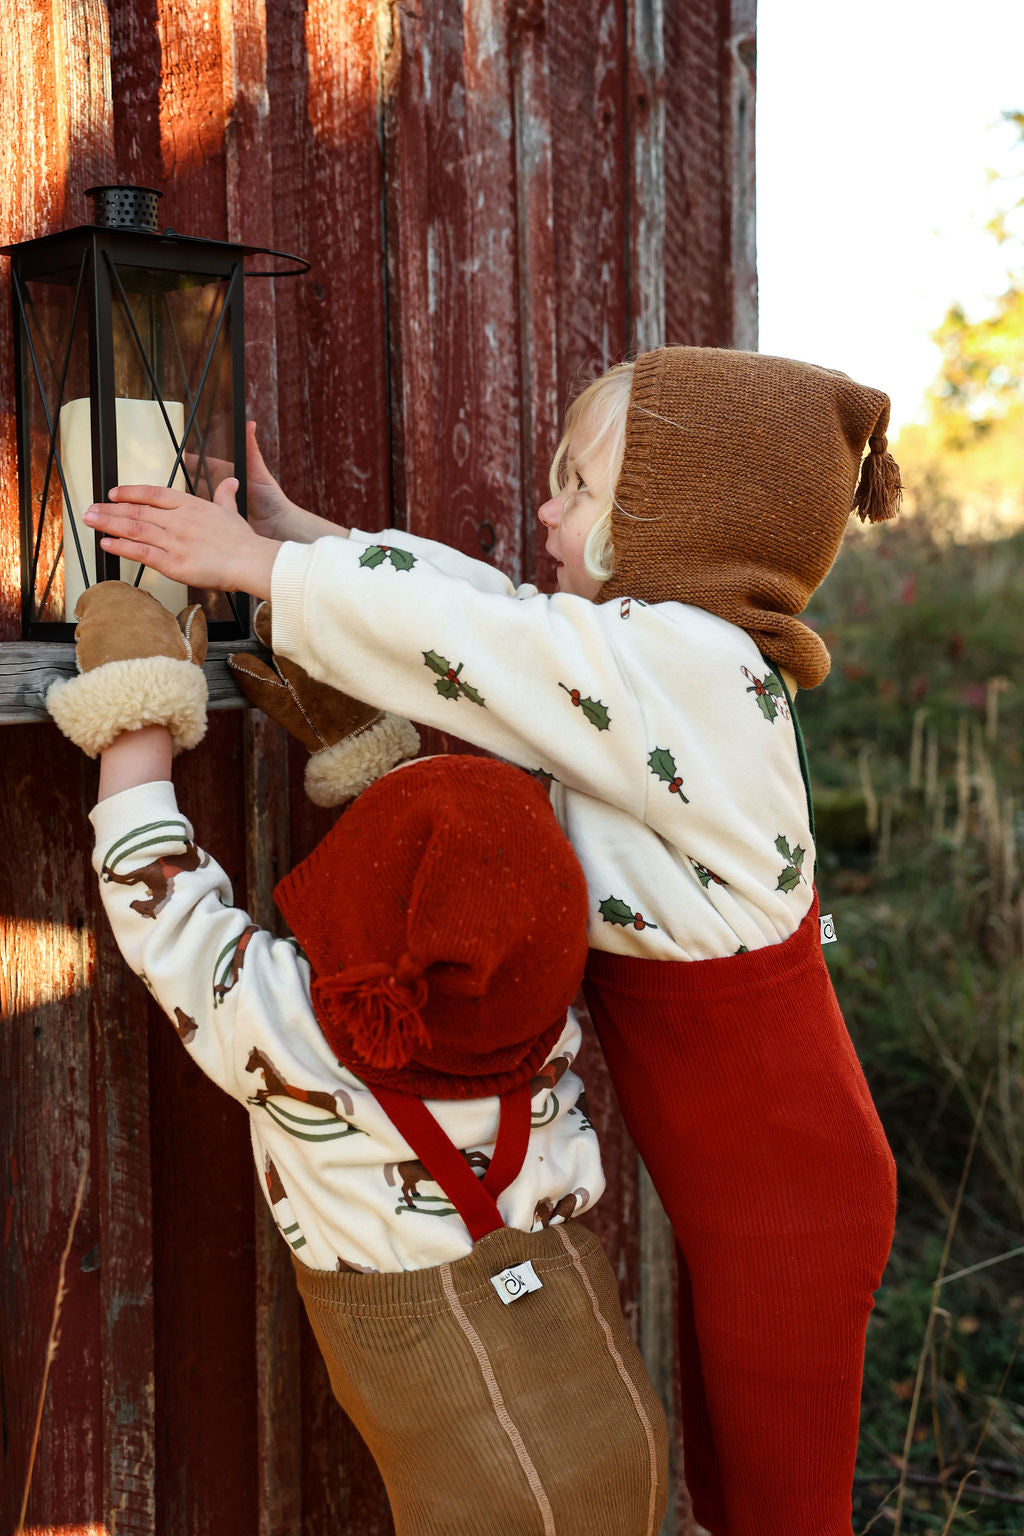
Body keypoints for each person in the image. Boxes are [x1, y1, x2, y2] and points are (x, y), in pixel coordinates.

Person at [82, 345, 901, 1536]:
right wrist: (297, 536)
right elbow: (499, 619)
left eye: (579, 486)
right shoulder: (643, 657)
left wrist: (262, 568)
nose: (547, 510)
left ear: (680, 526)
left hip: (791, 1187)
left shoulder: (694, 665)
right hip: (756, 1168)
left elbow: (488, 646)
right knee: (743, 1481)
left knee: (783, 1501)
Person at [46, 580, 669, 1536]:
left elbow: (166, 913)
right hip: (612, 1430)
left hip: (477, 1483)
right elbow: (459, 892)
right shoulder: (536, 1015)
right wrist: (366, 750)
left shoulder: (294, 1030)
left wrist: (139, 715)